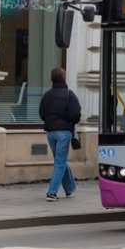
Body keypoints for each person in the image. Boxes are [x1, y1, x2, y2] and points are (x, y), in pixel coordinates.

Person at [39, 67, 81, 201]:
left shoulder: (47, 95)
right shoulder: (69, 94)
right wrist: (70, 122)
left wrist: (51, 121)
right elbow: (76, 114)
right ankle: (52, 192)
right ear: (64, 78)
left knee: (60, 161)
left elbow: (42, 113)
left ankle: (69, 189)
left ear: (51, 79)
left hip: (51, 133)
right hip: (64, 132)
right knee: (60, 162)